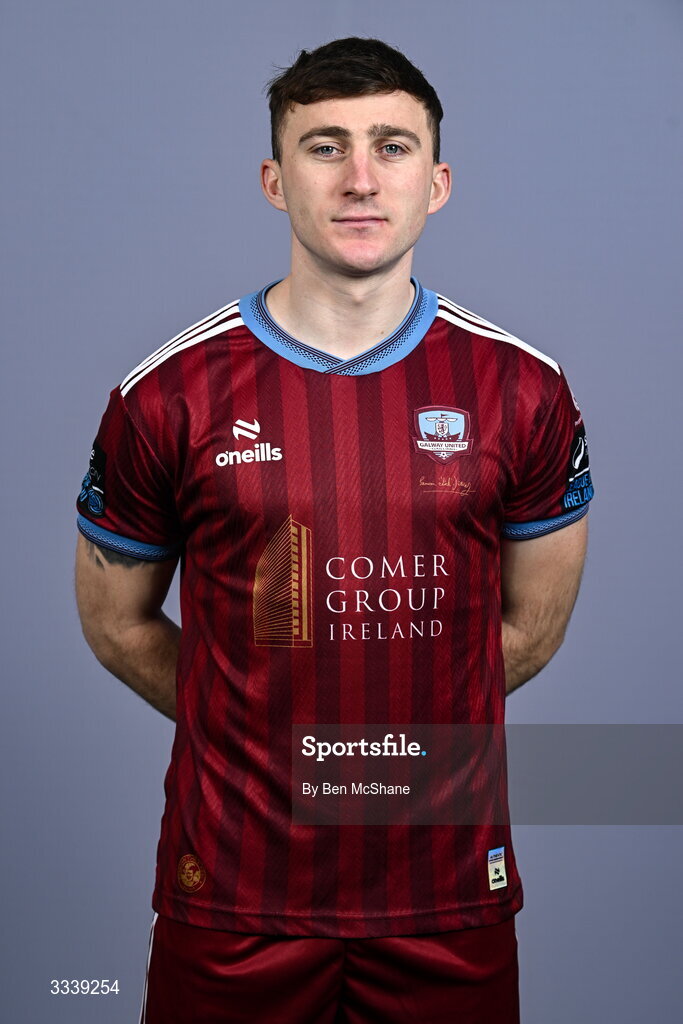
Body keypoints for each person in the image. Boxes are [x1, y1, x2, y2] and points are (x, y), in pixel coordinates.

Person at [75, 36, 593, 1024]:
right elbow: (116, 622)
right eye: (324, 148)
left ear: (435, 183)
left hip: (442, 893)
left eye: (391, 147)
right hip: (232, 891)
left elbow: (526, 628)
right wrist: (257, 729)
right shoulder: (166, 395)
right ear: (274, 181)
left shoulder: (523, 389)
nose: (359, 179)